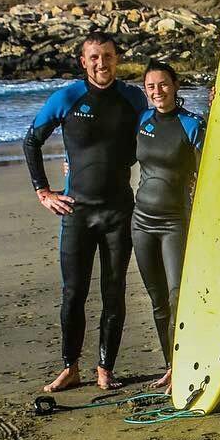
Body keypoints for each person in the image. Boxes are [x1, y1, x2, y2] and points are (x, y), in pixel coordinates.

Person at [23, 30, 147, 392]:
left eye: (107, 56)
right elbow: (32, 139)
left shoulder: (132, 98)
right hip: (76, 212)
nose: (101, 63)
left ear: (117, 58)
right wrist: (42, 191)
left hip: (118, 213)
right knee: (73, 293)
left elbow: (161, 128)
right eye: (94, 57)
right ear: (83, 61)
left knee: (114, 292)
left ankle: (105, 368)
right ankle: (70, 366)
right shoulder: (67, 97)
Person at [132, 60, 206, 389]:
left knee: (178, 297)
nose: (157, 91)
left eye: (163, 84)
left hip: (175, 221)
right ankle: (171, 365)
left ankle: (185, 359)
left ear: (175, 85)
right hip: (141, 221)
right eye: (151, 87)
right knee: (157, 298)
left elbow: (212, 169)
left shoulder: (192, 124)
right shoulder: (143, 120)